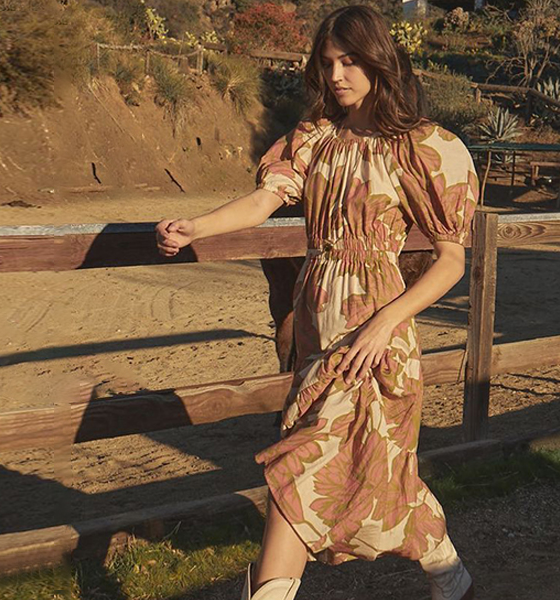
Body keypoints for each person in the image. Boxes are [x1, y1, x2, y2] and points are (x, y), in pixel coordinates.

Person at [156, 6, 478, 600]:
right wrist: (196, 227)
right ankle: (451, 577)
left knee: (302, 468)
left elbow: (451, 260)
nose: (336, 75)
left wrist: (383, 325)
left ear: (379, 60)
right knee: (377, 470)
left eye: (350, 61)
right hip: (316, 327)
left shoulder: (422, 147)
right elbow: (263, 202)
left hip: (373, 337)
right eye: (328, 63)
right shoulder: (317, 137)